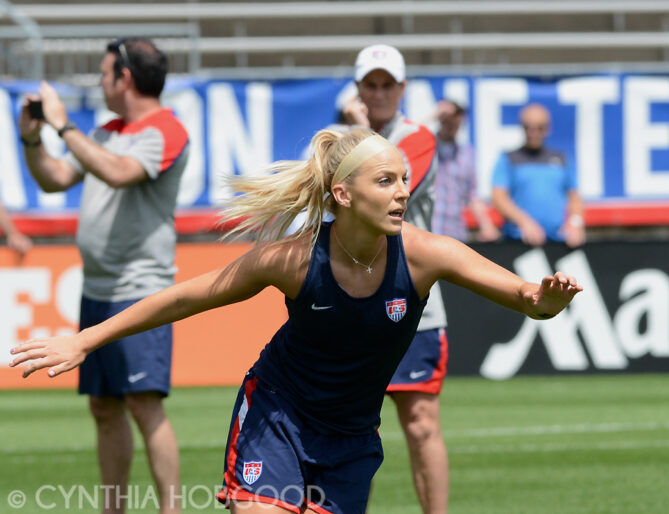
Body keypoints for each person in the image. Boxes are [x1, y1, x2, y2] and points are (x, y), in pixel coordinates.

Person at [10, 127, 582, 514]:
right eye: (386, 181)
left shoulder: (428, 252)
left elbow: (527, 296)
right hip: (276, 418)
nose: (403, 192)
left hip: (352, 438)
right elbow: (189, 296)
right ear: (343, 193)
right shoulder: (291, 260)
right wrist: (86, 339)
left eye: (405, 179)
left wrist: (547, 302)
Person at [17, 37, 189, 514]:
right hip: (97, 290)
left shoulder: (165, 131)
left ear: (125, 78)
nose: (100, 80)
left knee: (143, 403)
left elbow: (118, 172)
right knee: (104, 406)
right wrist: (32, 138)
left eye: (104, 71)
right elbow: (54, 177)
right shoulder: (109, 129)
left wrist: (64, 124)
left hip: (140, 291)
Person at [343, 44, 450, 513]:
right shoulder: (340, 139)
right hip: (352, 297)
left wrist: (357, 130)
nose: (380, 92)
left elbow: (386, 174)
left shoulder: (418, 137)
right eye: (372, 84)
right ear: (359, 88)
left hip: (412, 298)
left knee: (421, 421)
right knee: (348, 423)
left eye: (389, 84)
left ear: (403, 89)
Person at [491, 102, 585, 248]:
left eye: (539, 127)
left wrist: (575, 223)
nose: (533, 132)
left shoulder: (561, 159)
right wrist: (525, 223)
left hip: (558, 242)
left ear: (548, 129)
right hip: (518, 242)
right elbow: (499, 197)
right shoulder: (508, 158)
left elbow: (574, 196)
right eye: (528, 127)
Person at [432, 99, 500, 243]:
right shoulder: (425, 148)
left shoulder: (466, 153)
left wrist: (486, 225)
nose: (451, 126)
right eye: (447, 121)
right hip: (427, 231)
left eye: (456, 122)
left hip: (455, 234)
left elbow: (472, 195)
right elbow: (402, 141)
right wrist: (434, 115)